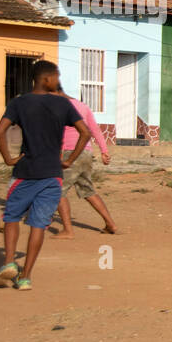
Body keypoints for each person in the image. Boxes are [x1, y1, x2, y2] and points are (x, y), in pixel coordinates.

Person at [0, 60, 90, 290]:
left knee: (11, 218)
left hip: (25, 172)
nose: (58, 81)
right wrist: (69, 160)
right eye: (57, 76)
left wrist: (7, 158)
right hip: (53, 174)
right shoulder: (63, 105)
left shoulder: (20, 103)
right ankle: (25, 277)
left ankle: (8, 262)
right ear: (46, 79)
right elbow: (84, 133)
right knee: (38, 225)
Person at [51, 84, 116, 238]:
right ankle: (110, 223)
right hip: (86, 153)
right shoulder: (82, 106)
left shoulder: (59, 107)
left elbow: (57, 133)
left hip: (70, 153)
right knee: (88, 190)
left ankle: (67, 230)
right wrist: (104, 151)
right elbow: (95, 129)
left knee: (58, 191)